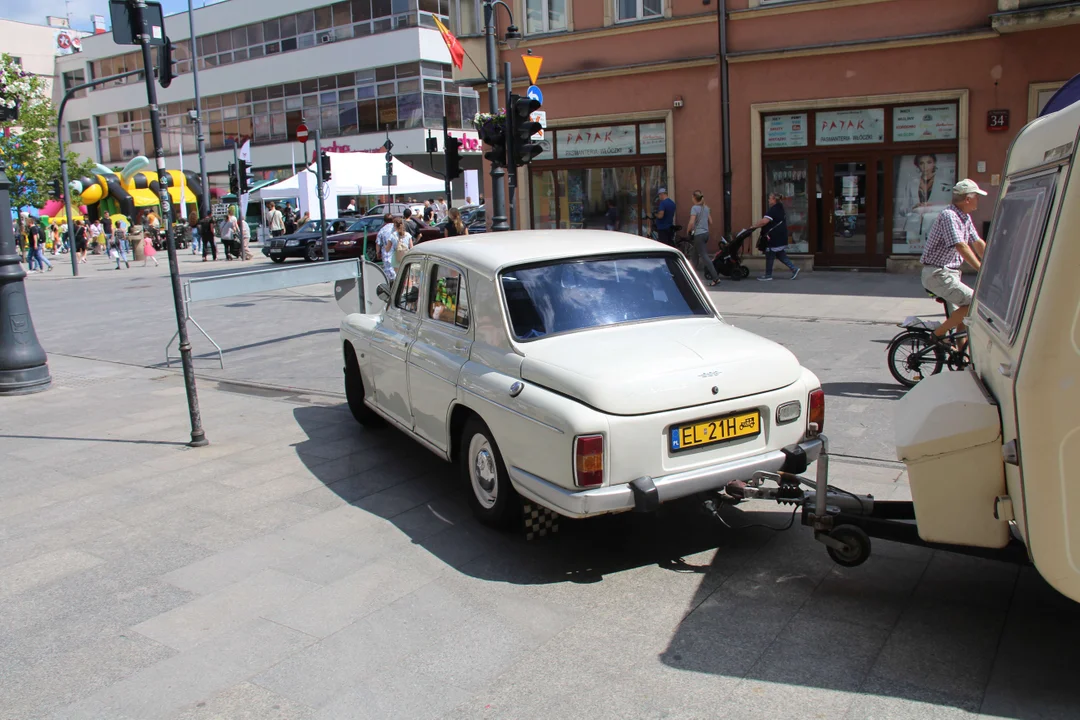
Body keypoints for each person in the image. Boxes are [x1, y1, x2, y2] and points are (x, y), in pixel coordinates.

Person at [920, 179, 988, 345]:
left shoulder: (964, 216)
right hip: (938, 273)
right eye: (976, 197)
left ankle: (960, 357)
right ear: (967, 199)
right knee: (973, 302)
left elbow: (977, 242)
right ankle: (937, 335)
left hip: (949, 274)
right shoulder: (949, 216)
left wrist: (992, 262)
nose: (978, 200)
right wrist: (982, 269)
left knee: (964, 316)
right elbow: (961, 246)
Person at [752, 191, 799, 281]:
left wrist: (754, 226)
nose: (768, 200)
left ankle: (768, 275)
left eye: (770, 198)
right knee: (780, 255)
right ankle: (794, 269)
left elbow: (764, 221)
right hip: (780, 236)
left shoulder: (774, 210)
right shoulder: (780, 208)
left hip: (774, 237)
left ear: (774, 200)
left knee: (770, 255)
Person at [688, 190, 720, 287]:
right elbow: (710, 221)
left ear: (694, 198)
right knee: (694, 255)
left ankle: (715, 278)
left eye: (692, 197)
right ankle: (690, 276)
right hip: (705, 234)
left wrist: (688, 230)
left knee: (704, 256)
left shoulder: (694, 208)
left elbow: (691, 222)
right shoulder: (705, 208)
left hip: (698, 234)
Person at [376, 213, 397, 281]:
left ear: (384, 221)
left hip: (387, 253)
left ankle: (391, 285)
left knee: (388, 271)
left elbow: (378, 243)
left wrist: (377, 253)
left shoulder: (382, 230)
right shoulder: (396, 228)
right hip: (397, 251)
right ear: (393, 219)